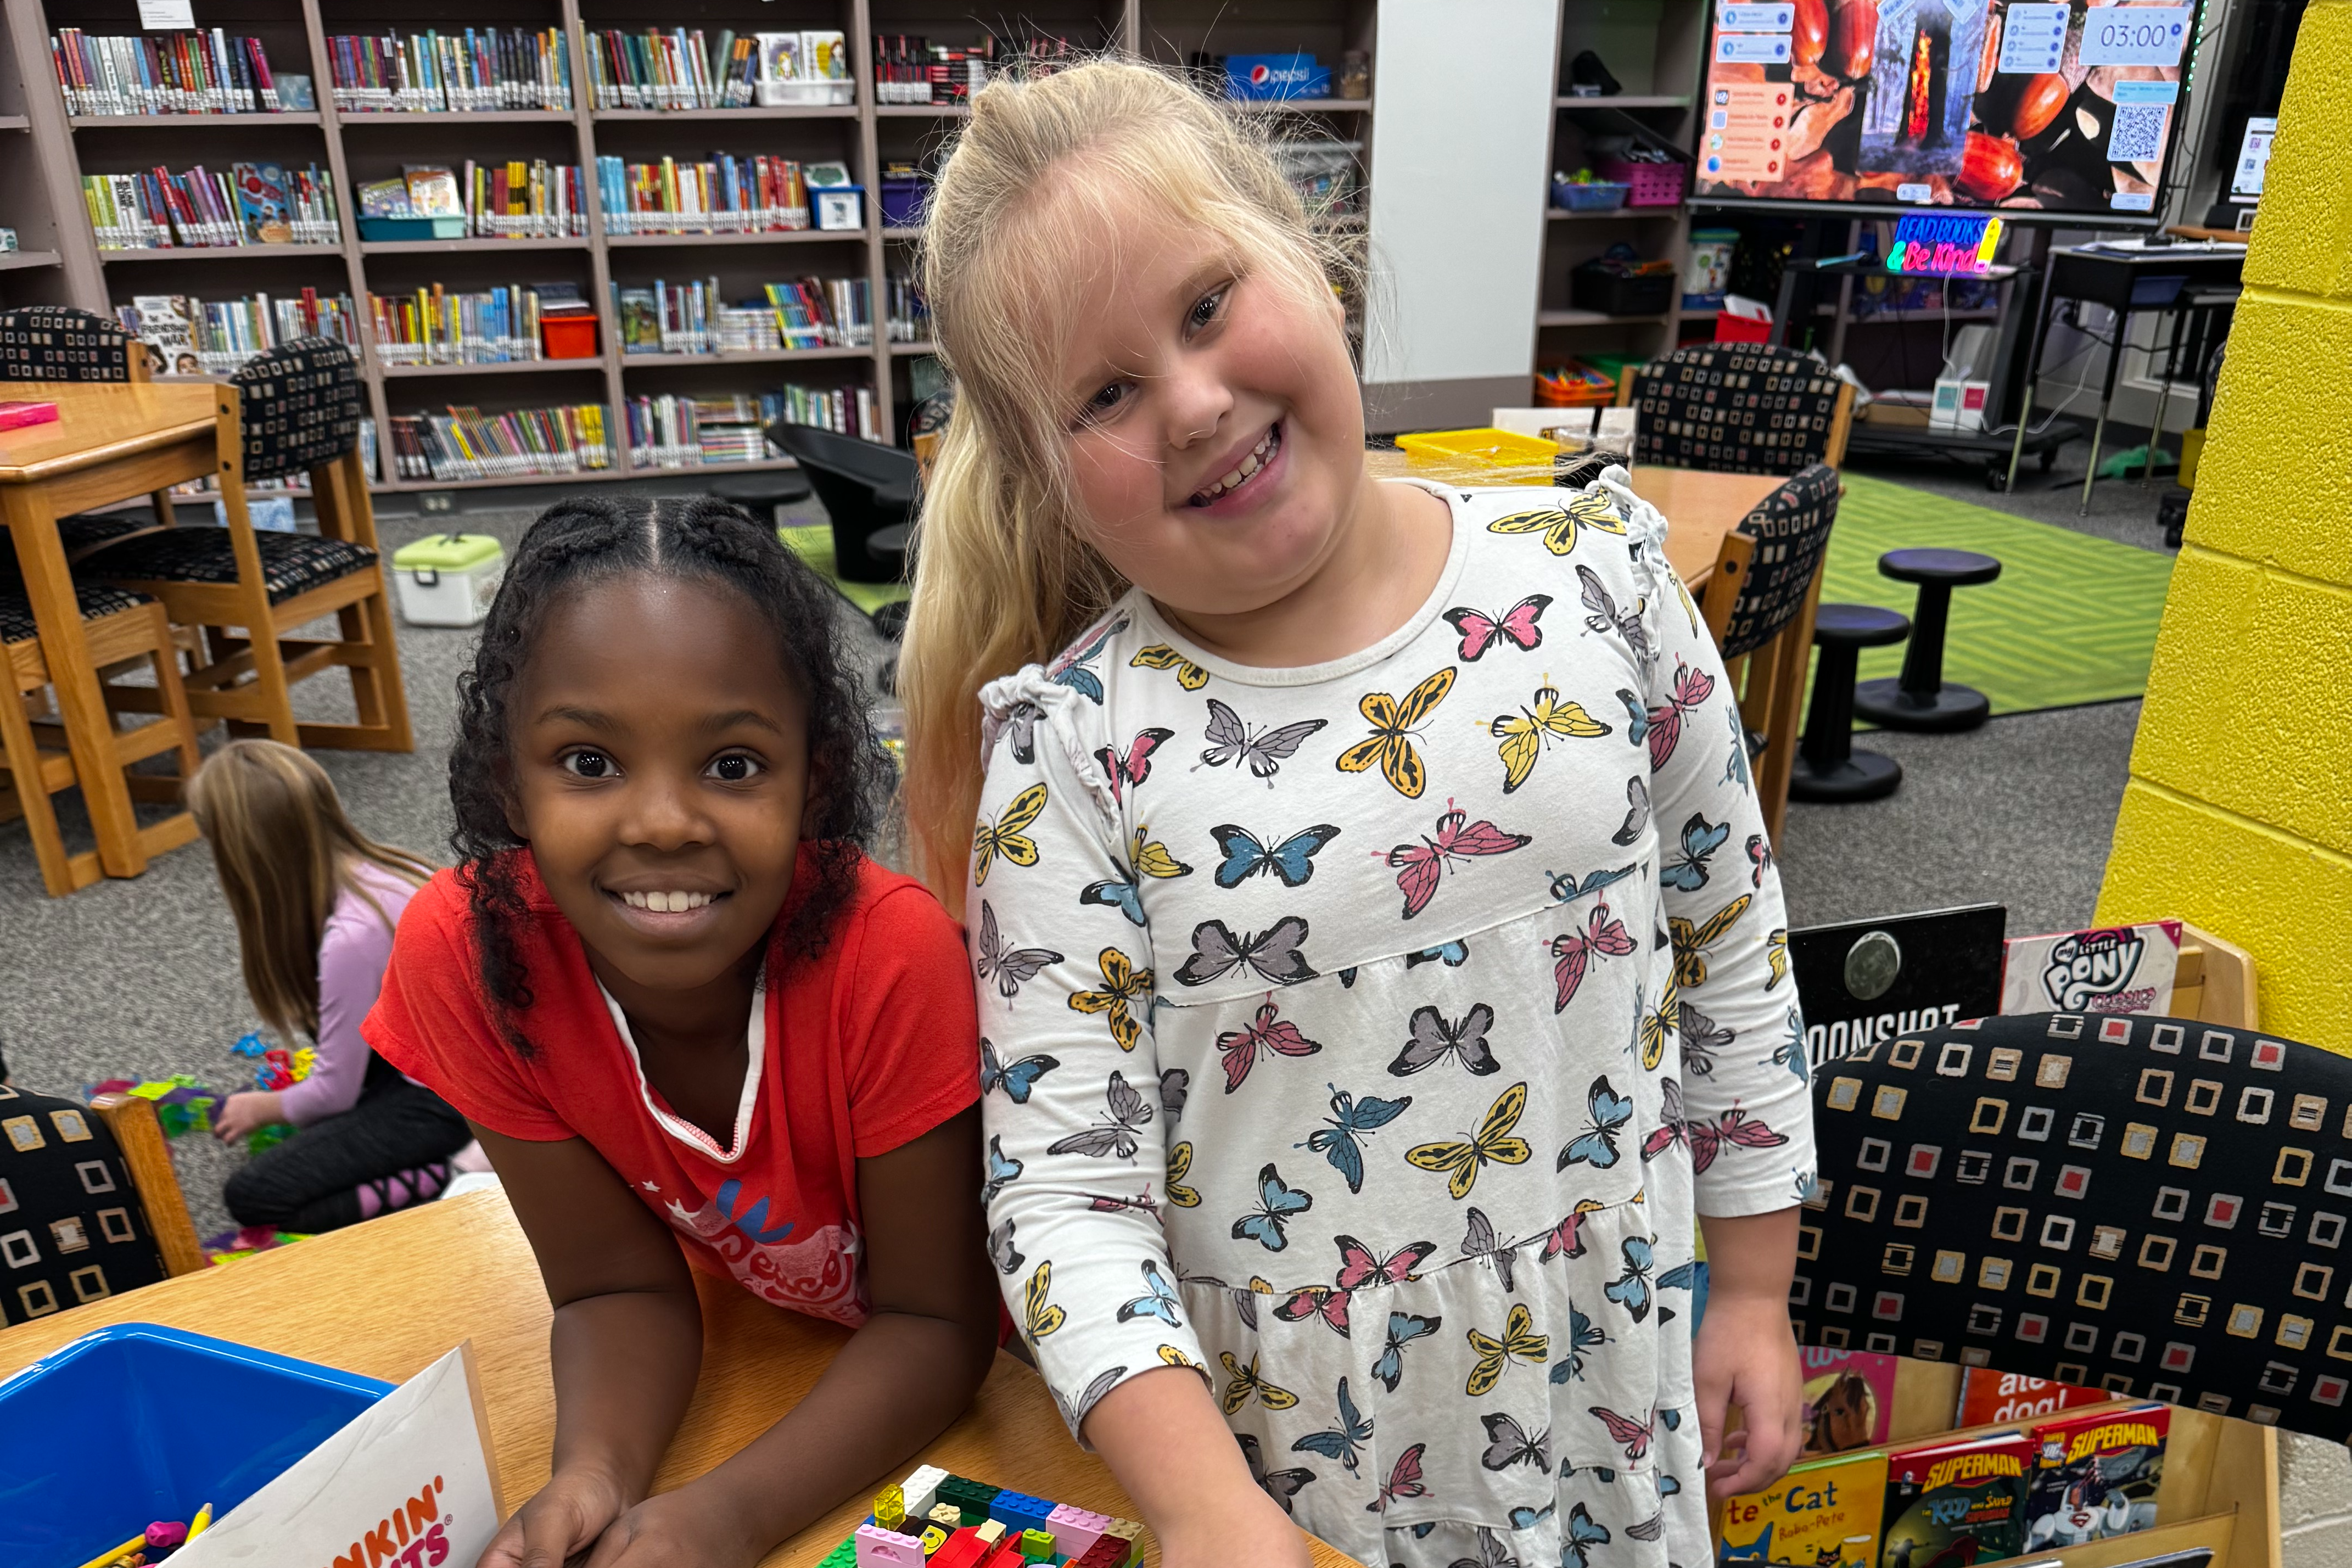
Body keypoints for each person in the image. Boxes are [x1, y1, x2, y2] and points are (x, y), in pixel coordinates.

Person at [897, 61, 1817, 1568]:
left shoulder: (1599, 578)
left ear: (1309, 258)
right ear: (1046, 477)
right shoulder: (1070, 759)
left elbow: (1731, 945)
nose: (1192, 403)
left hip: (1615, 1406)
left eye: (1205, 307)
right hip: (1295, 1480)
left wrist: (1761, 1288)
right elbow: (1063, 1189)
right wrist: (1203, 1509)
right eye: (1106, 395)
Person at [367, 495, 998, 1568]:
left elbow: (940, 1325)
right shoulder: (466, 957)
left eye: (735, 765)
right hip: (784, 1359)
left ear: (818, 782)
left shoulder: (893, 959)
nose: (662, 822)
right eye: (589, 763)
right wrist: (593, 1479)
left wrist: (724, 1517)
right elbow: (614, 1285)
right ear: (507, 781)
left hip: (1008, 1400)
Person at [191, 740, 464, 1233]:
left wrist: (264, 1108)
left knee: (256, 1195)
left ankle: (455, 1173)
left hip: (452, 1101)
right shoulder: (397, 868)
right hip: (448, 1065)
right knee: (317, 1112)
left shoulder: (352, 936)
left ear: (240, 853)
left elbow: (335, 1095)